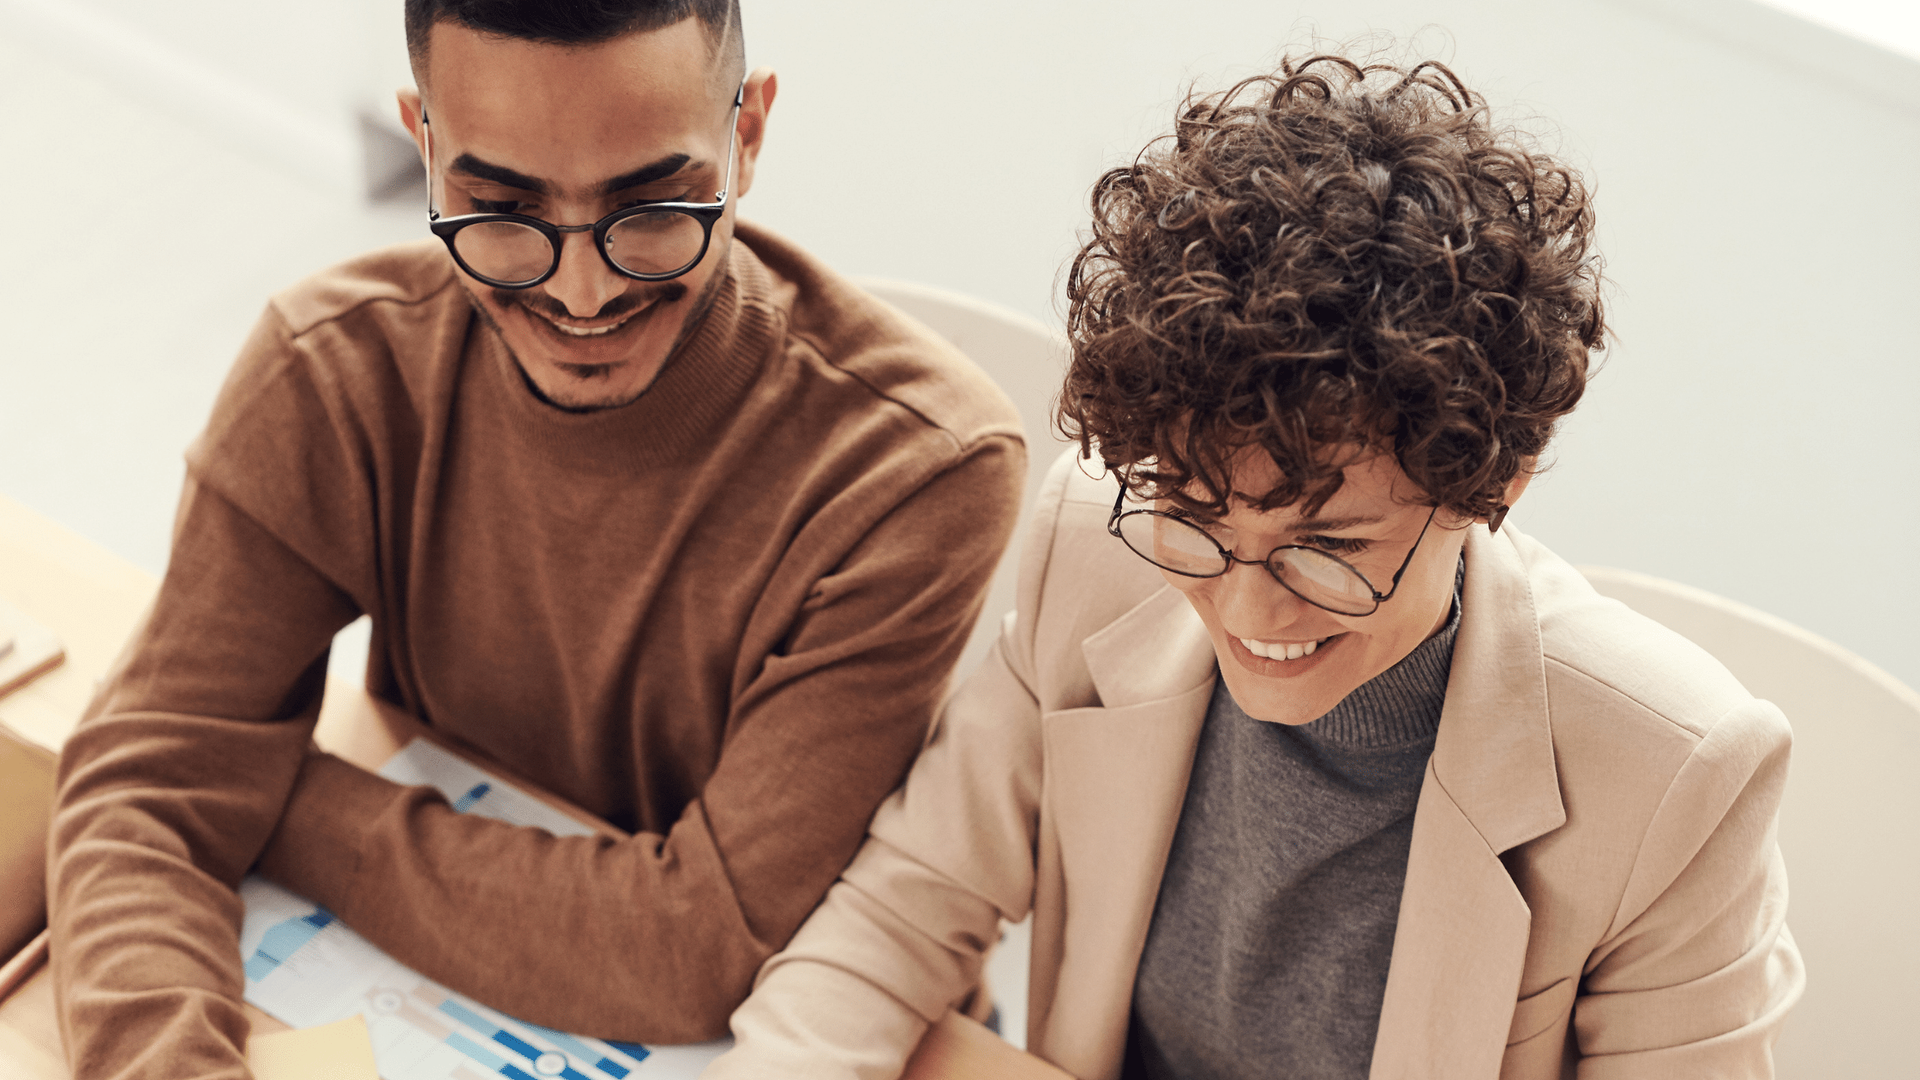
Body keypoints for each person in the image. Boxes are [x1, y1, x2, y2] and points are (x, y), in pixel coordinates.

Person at [704, 52, 1803, 1080]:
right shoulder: (1094, 545)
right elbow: (907, 906)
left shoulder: (1677, 775)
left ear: (1493, 490)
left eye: (1327, 552)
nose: (1243, 608)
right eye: (1193, 519)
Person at [46, 0, 1024, 1074]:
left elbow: (699, 949)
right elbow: (141, 795)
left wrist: (266, 791)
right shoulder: (332, 368)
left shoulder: (921, 465)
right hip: (407, 984)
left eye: (651, 206)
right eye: (501, 208)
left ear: (747, 135)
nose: (582, 290)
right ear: (424, 145)